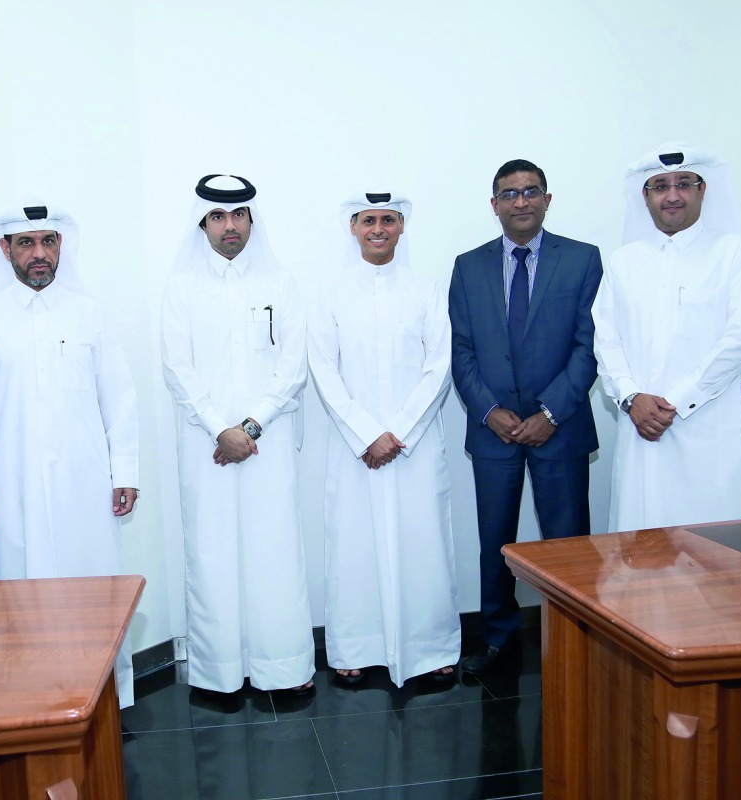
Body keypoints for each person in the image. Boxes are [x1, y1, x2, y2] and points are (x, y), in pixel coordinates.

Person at [0, 200, 140, 707]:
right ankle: (26, 704)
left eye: (48, 242)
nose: (40, 254)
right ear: (5, 249)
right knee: (18, 596)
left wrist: (125, 470)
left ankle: (103, 700)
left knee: (94, 593)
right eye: (27, 243)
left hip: (86, 487)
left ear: (61, 247)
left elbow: (118, 399)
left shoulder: (89, 315)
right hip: (9, 490)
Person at [161, 174, 315, 696]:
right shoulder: (182, 287)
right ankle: (217, 674)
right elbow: (177, 368)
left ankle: (285, 670)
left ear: (251, 220)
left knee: (274, 551)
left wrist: (249, 427)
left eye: (240, 215)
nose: (231, 226)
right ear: (203, 224)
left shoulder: (281, 283)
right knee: (211, 554)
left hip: (264, 443)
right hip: (208, 448)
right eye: (219, 217)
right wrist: (218, 429)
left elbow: (293, 366)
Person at [449, 160, 603, 675]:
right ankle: (497, 638)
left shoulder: (582, 260)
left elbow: (589, 346)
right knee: (496, 540)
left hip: (559, 429)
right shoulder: (468, 266)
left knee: (567, 543)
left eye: (530, 191)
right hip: (493, 431)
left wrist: (551, 412)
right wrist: (489, 411)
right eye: (509, 194)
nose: (521, 201)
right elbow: (461, 350)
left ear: (547, 198)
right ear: (494, 204)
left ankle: (573, 639)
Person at [308, 191, 459, 688]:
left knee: (423, 544)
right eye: (369, 220)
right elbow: (324, 370)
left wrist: (398, 431)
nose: (379, 229)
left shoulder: (426, 290)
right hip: (356, 449)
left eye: (389, 220)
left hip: (411, 446)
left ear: (401, 228)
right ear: (353, 227)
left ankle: (431, 648)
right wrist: (368, 434)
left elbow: (440, 366)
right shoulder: (330, 293)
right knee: (354, 547)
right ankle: (355, 648)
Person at [593, 143, 741, 532]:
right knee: (639, 563)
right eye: (660, 186)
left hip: (705, 433)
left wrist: (676, 402)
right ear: (646, 195)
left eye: (684, 183)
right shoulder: (624, 261)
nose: (672, 195)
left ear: (702, 189)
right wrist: (631, 398)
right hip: (641, 434)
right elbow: (606, 340)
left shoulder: (732, 253)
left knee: (711, 569)